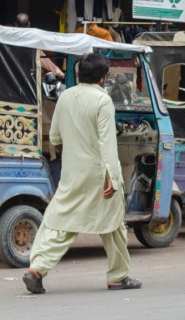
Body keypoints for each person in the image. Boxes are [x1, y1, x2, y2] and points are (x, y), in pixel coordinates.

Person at [23, 52, 141, 295]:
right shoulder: (103, 100)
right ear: (102, 78)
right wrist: (113, 177)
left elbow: (55, 137)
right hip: (99, 175)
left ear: (79, 74)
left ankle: (36, 269)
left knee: (60, 222)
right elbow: (107, 142)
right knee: (114, 225)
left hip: (72, 173)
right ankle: (118, 276)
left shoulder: (65, 96)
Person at [15, 12, 65, 80]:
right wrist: (60, 73)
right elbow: (44, 61)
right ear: (29, 24)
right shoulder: (33, 44)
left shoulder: (8, 43)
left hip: (12, 81)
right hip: (31, 82)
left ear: (15, 25)